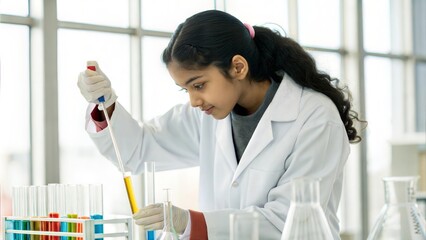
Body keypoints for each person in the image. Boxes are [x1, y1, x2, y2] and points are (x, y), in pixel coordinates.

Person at [77, 9, 362, 240]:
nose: (193, 101)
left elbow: (286, 223)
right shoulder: (207, 116)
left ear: (238, 67)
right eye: (185, 89)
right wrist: (106, 105)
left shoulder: (314, 117)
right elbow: (137, 151)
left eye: (198, 84)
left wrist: (192, 223)